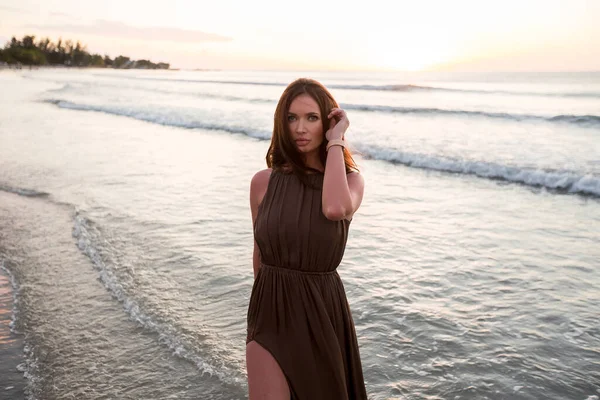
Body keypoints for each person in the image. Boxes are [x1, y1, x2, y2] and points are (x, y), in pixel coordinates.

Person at [246, 78, 368, 400]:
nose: (300, 128)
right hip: (269, 312)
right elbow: (259, 255)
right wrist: (261, 313)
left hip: (321, 315)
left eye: (311, 118)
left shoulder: (350, 182)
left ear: (327, 121)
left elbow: (334, 207)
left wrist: (336, 140)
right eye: (291, 118)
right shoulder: (263, 183)